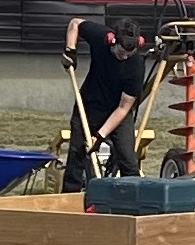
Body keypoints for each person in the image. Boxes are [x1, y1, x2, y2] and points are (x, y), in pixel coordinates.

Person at [61, 15, 148, 191]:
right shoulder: (100, 36)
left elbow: (124, 108)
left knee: (128, 159)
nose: (125, 56)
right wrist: (70, 51)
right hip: (89, 106)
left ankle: (133, 198)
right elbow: (75, 23)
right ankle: (70, 197)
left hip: (117, 112)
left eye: (129, 53)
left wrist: (100, 136)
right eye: (121, 52)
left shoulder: (136, 66)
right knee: (77, 154)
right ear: (112, 40)